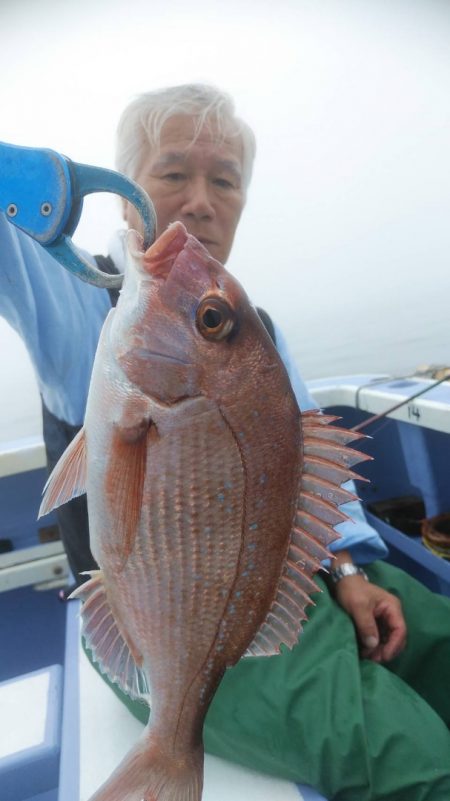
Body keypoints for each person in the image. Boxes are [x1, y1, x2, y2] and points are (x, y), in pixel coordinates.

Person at [1, 84, 450, 801]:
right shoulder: (78, 309)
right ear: (122, 193)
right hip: (162, 629)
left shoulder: (251, 331)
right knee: (417, 763)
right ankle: (171, 745)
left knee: (441, 639)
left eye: (225, 181)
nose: (201, 202)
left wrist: (348, 570)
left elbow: (307, 464)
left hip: (283, 588)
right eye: (173, 172)